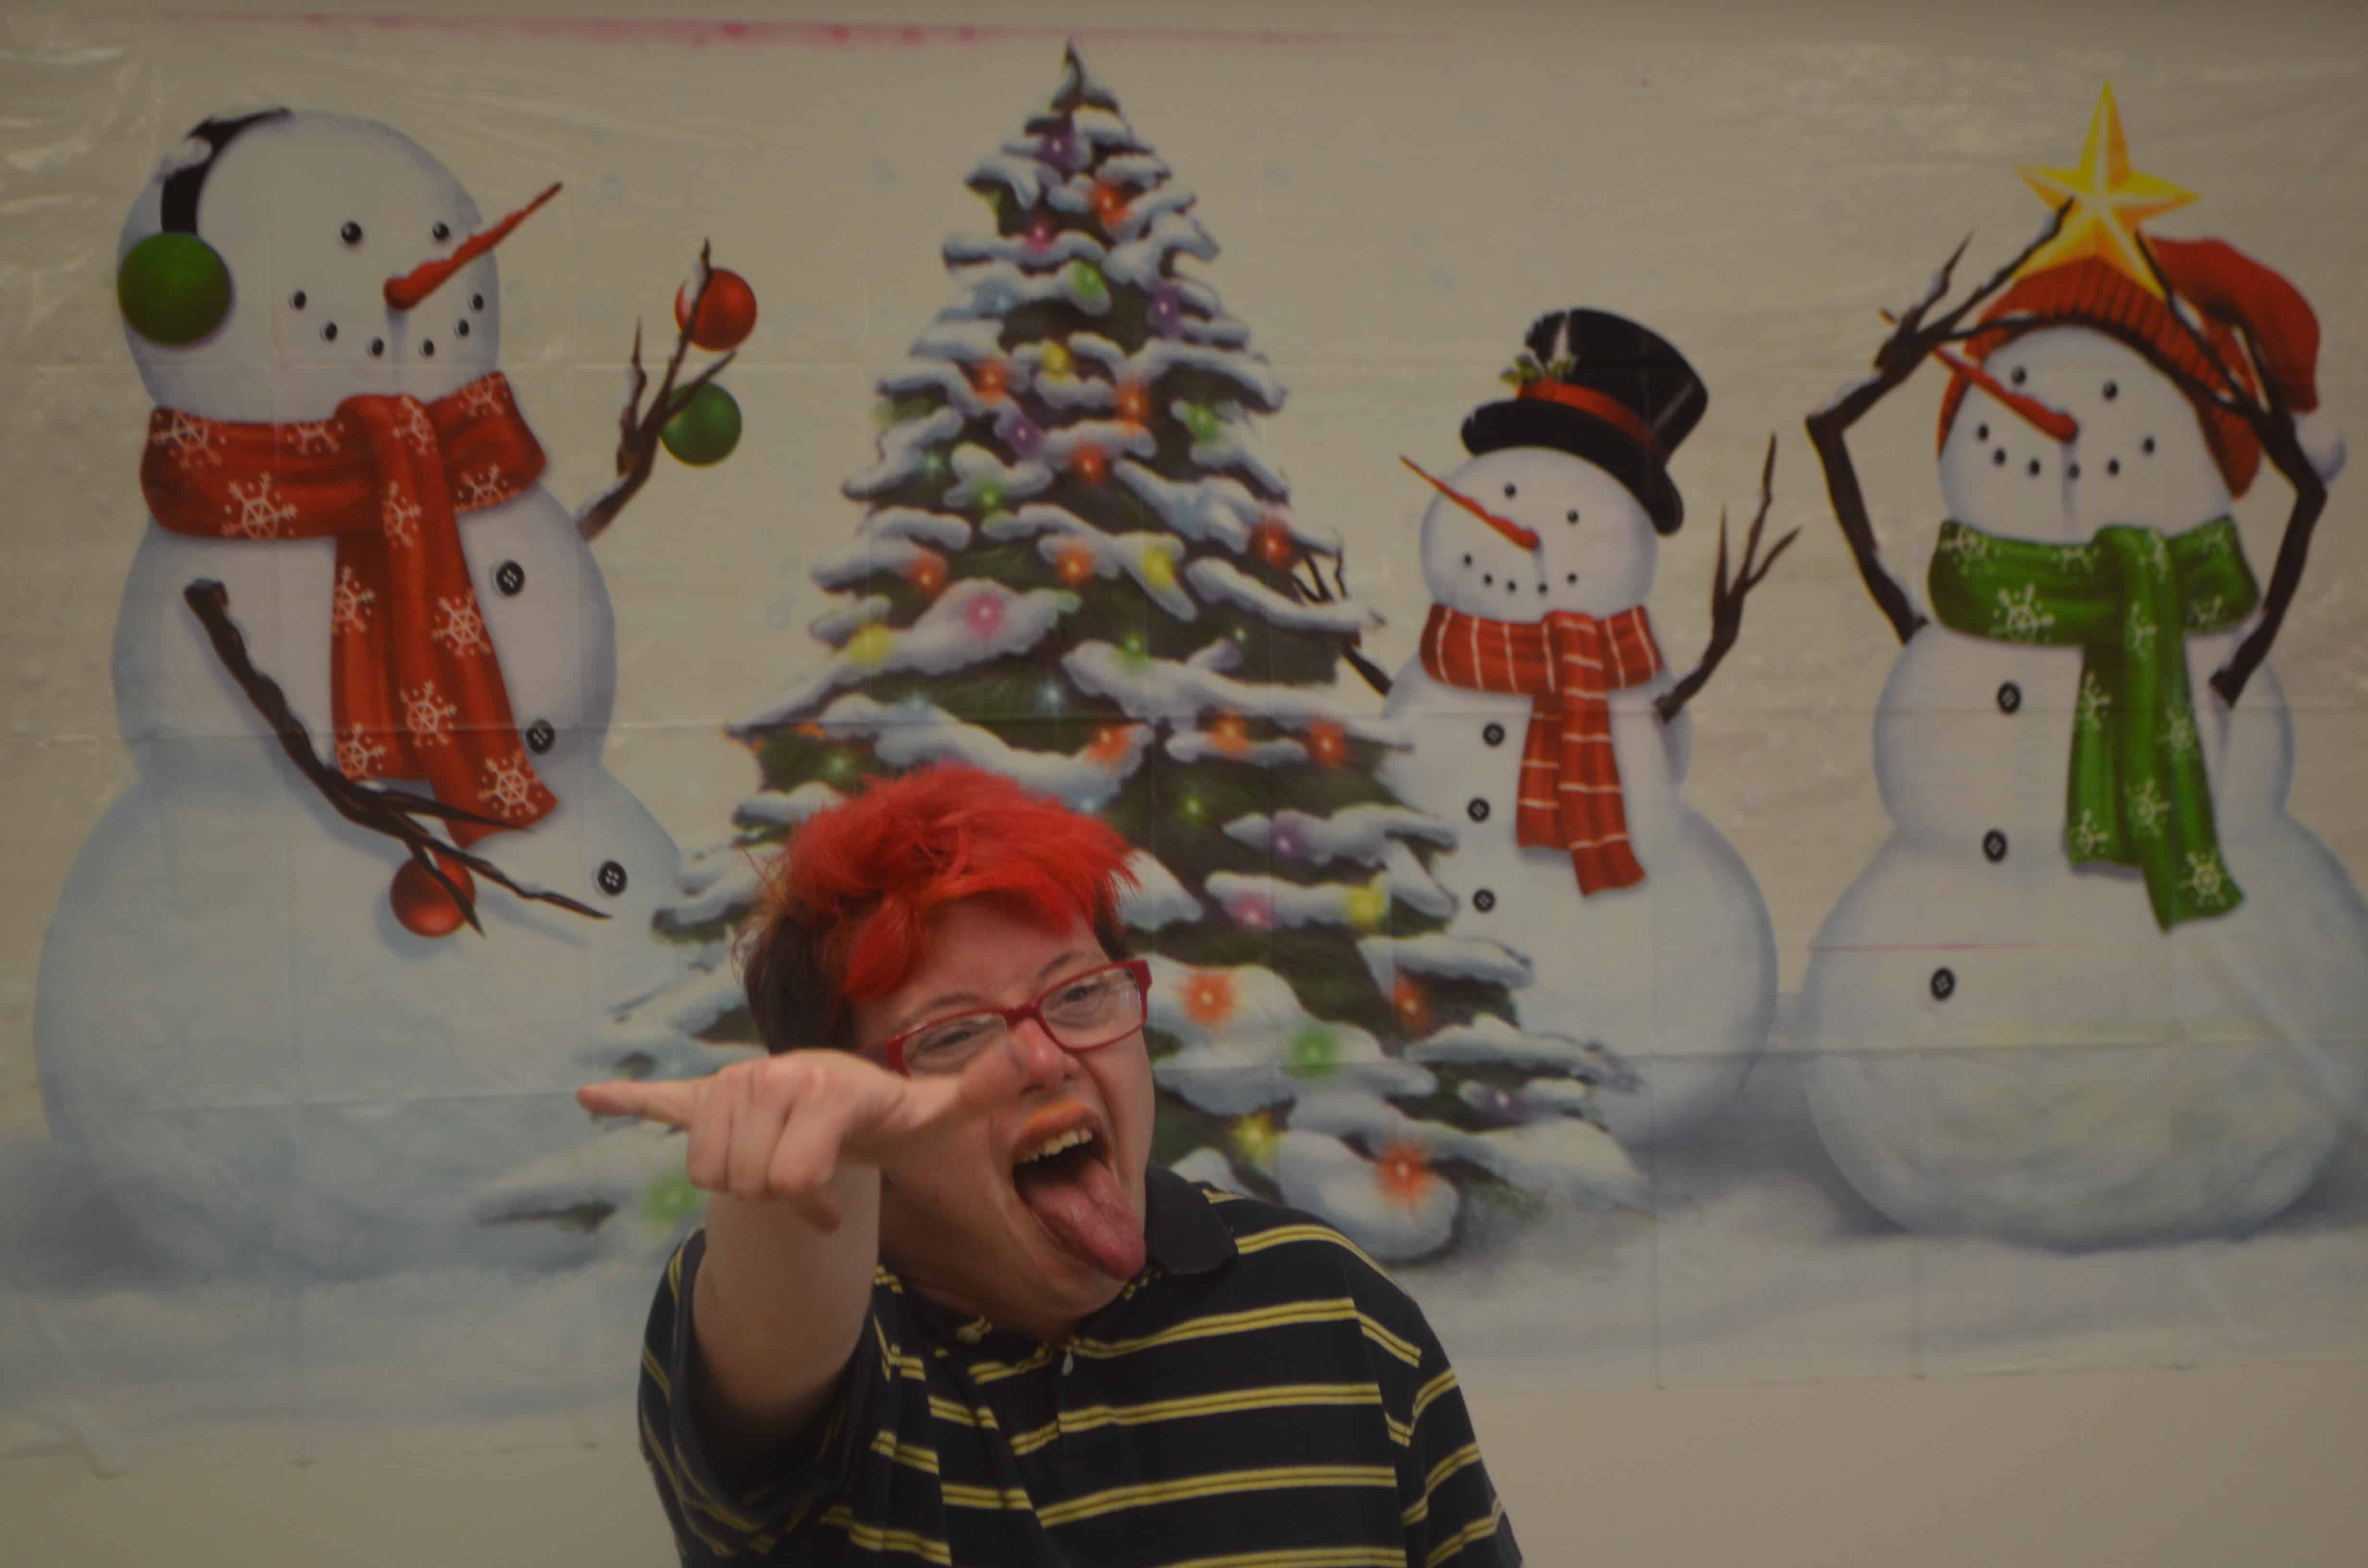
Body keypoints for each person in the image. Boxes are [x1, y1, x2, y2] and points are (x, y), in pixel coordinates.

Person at [582, 763, 1522, 1566]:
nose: (1042, 1058)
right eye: (953, 1035)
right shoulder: (838, 1339)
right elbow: (776, 1327)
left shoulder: (1333, 1303)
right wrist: (805, 1146)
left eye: (1077, 995)